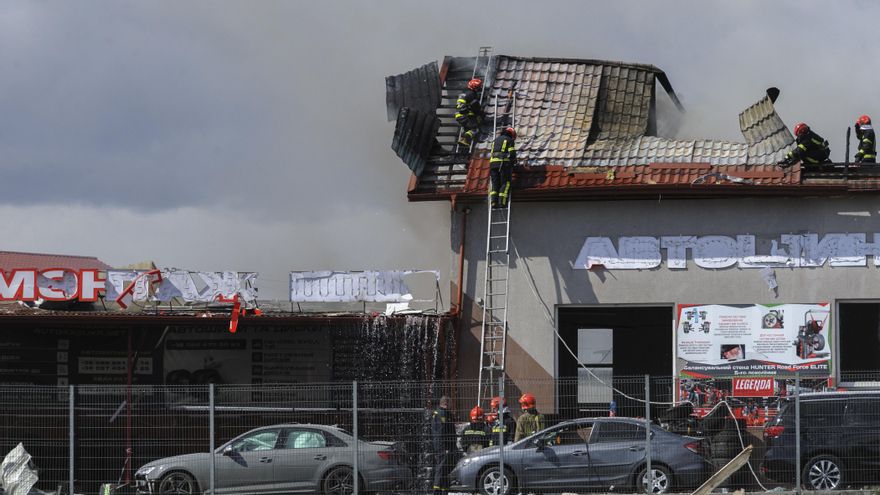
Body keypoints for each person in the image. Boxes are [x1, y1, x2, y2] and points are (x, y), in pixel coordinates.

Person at [431, 396, 456, 495]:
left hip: (446, 445)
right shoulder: (441, 414)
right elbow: (441, 432)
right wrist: (445, 447)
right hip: (443, 446)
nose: (451, 405)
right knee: (441, 467)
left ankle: (444, 489)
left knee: (446, 467)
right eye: (450, 403)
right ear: (446, 403)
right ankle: (437, 490)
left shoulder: (445, 413)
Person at [489, 127, 517, 208]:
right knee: (506, 182)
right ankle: (502, 202)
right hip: (502, 164)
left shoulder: (495, 140)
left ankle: (493, 202)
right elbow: (512, 154)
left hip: (492, 164)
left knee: (495, 183)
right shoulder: (509, 140)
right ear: (511, 135)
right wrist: (513, 161)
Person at [455, 78, 484, 148]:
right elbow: (476, 108)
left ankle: (462, 139)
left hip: (458, 115)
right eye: (479, 87)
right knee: (475, 129)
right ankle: (464, 140)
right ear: (475, 87)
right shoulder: (472, 94)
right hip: (466, 116)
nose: (480, 88)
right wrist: (482, 114)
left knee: (467, 128)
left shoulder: (464, 92)